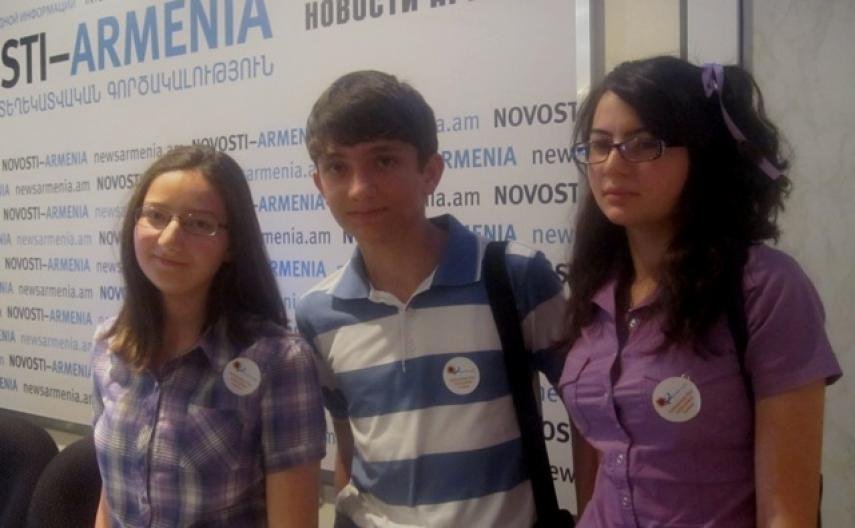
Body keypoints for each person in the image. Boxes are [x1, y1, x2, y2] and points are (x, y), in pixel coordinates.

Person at [558, 56, 842, 527]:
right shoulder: (597, 288)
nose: (612, 164)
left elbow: (787, 512)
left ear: (702, 154)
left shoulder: (763, 287)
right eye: (600, 144)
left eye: (644, 144)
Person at [295, 70, 568, 527]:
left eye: (383, 161)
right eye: (337, 167)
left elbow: (594, 417)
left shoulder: (515, 277)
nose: (360, 189)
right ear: (319, 184)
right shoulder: (318, 313)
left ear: (431, 172)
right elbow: (349, 447)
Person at [90, 145, 326, 527]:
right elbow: (112, 496)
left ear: (232, 245)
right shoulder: (109, 345)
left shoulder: (279, 362)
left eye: (199, 223)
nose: (169, 238)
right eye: (156, 216)